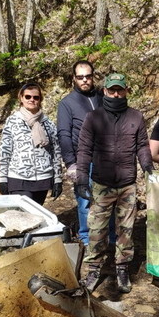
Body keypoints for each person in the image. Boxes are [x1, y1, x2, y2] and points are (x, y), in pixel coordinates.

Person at [74, 73, 153, 294]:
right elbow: (84, 150)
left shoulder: (136, 117)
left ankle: (122, 268)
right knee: (97, 229)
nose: (116, 94)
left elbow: (142, 146)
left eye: (120, 90)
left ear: (126, 91)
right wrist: (82, 178)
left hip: (127, 184)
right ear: (105, 91)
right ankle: (94, 269)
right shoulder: (93, 117)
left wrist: (147, 167)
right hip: (101, 183)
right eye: (112, 90)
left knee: (125, 230)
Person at [56, 60, 106, 245]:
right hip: (82, 161)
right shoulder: (67, 103)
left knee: (107, 200)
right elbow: (63, 133)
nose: (84, 80)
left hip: (105, 160)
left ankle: (108, 237)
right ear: (74, 79)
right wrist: (70, 163)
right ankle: (86, 238)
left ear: (93, 77)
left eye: (88, 76)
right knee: (85, 201)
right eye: (80, 77)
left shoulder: (102, 98)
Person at [0, 82, 63, 204]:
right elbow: (5, 150)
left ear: (40, 100)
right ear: (21, 98)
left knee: (36, 217)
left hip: (43, 179)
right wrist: (2, 178)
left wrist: (58, 179)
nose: (31, 100)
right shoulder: (12, 121)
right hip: (18, 178)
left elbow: (55, 152)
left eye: (35, 97)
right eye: (28, 96)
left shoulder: (48, 124)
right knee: (23, 216)